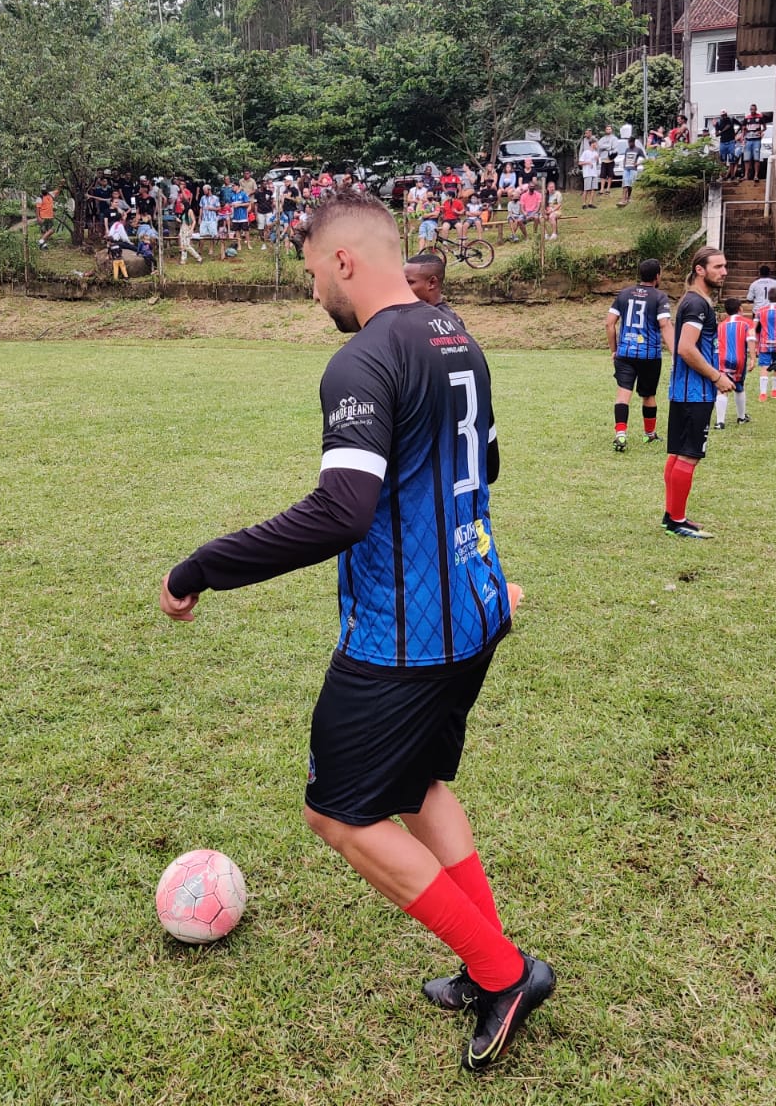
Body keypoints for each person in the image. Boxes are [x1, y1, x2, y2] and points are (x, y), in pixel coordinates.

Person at [158, 190, 552, 1072]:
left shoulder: (362, 359)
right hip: (477, 607)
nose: (311, 295)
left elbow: (342, 512)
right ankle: (486, 961)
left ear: (343, 261)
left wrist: (203, 565)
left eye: (309, 274)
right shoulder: (455, 333)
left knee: (338, 813)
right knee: (415, 788)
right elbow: (482, 462)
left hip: (406, 637)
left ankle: (503, 971)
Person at [662, 248, 732, 538]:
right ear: (700, 270)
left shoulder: (695, 301)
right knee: (689, 455)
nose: (724, 271)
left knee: (679, 452)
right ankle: (677, 521)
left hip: (685, 390)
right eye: (717, 266)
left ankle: (672, 516)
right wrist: (716, 377)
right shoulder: (696, 304)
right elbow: (685, 348)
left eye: (725, 266)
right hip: (695, 393)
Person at [607, 258, 674, 451]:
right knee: (649, 395)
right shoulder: (659, 297)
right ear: (657, 276)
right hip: (649, 355)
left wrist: (614, 350)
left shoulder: (624, 294)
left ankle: (620, 434)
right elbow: (665, 325)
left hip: (625, 353)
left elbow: (609, 323)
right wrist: (676, 353)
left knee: (623, 394)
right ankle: (649, 434)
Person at [713, 300, 752, 429]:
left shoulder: (721, 325)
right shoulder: (746, 323)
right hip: (739, 359)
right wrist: (753, 358)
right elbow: (751, 339)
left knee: (721, 387)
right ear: (740, 308)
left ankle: (720, 422)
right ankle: (741, 417)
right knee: (739, 386)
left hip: (722, 358)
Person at [754, 286, 776, 401]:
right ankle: (775, 391)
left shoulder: (760, 311)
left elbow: (754, 327)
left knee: (764, 366)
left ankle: (763, 394)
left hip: (764, 342)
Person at [741, 104, 766, 182]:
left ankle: (756, 175)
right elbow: (743, 129)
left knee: (756, 158)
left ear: (756, 109)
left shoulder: (759, 117)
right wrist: (743, 137)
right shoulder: (747, 118)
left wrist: (761, 131)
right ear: (750, 110)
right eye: (751, 109)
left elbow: (765, 127)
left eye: (754, 109)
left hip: (756, 140)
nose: (752, 111)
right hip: (748, 140)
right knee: (747, 159)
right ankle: (746, 175)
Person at [616, 135, 644, 207]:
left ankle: (628, 197)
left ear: (633, 142)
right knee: (625, 183)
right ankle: (623, 199)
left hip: (633, 169)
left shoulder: (638, 150)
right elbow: (625, 157)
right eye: (628, 143)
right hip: (626, 168)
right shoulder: (627, 149)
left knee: (630, 185)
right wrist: (624, 164)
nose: (629, 144)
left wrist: (637, 163)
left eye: (630, 143)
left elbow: (645, 158)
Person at [178, 200, 204, 264]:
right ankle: (183, 260)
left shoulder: (190, 211)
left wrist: (192, 229)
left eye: (182, 205)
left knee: (187, 245)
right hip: (182, 229)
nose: (181, 207)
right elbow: (183, 222)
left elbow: (194, 221)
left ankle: (198, 257)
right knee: (183, 245)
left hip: (187, 228)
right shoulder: (183, 212)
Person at [715, 112, 738, 180]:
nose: (724, 117)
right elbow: (716, 133)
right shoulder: (718, 123)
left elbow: (740, 125)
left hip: (731, 142)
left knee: (731, 159)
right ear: (721, 116)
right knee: (723, 160)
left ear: (726, 115)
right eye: (722, 116)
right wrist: (718, 133)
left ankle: (732, 175)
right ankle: (723, 175)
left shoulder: (730, 120)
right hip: (723, 142)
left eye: (725, 115)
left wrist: (736, 132)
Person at [578, 140, 600, 209]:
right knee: (586, 189)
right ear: (592, 144)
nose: (596, 145)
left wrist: (597, 159)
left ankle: (590, 203)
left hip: (594, 173)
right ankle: (584, 204)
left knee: (593, 189)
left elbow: (598, 163)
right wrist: (587, 162)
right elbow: (580, 163)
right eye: (595, 143)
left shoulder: (596, 153)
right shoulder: (585, 152)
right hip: (587, 173)